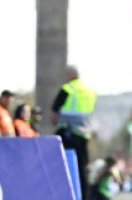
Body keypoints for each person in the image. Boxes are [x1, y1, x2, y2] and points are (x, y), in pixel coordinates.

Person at [51, 65, 98, 200]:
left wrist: (55, 124)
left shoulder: (68, 89)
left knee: (62, 164)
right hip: (84, 134)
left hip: (68, 132)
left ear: (69, 75)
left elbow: (53, 113)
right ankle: (83, 196)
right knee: (83, 168)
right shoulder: (90, 91)